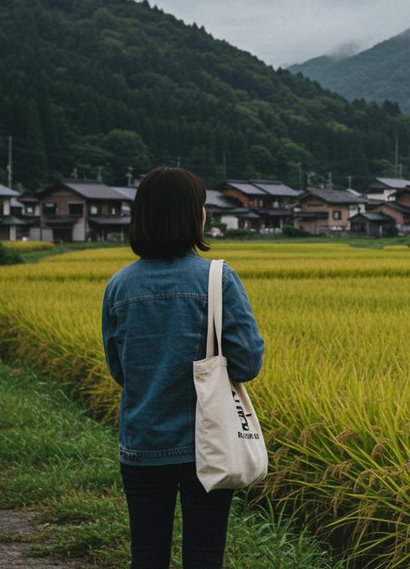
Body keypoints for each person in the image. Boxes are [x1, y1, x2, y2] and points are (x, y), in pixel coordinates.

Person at [102, 166, 264, 568]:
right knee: (205, 557)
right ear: (194, 215)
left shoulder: (120, 286)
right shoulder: (217, 277)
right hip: (207, 443)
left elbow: (120, 370)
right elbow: (247, 362)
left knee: (147, 555)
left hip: (142, 442)